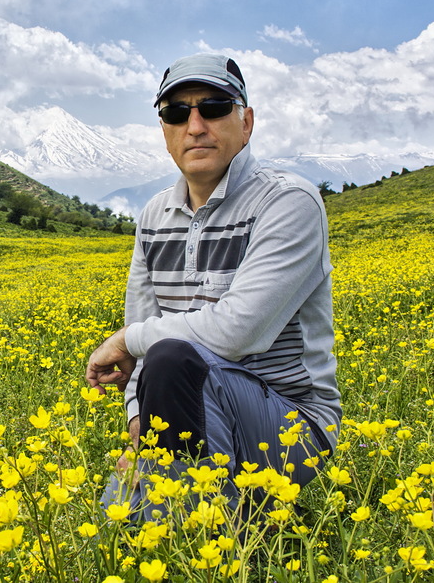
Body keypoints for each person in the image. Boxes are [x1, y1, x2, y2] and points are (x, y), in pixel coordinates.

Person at [85, 52, 341, 520]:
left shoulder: (288, 202)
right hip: (188, 407)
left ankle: (219, 536)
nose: (195, 125)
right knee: (117, 529)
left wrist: (126, 340)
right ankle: (227, 521)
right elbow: (145, 345)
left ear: (246, 121)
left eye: (215, 107)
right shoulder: (153, 216)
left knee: (169, 359)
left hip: (290, 429)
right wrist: (141, 427)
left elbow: (235, 332)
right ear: (164, 130)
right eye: (177, 113)